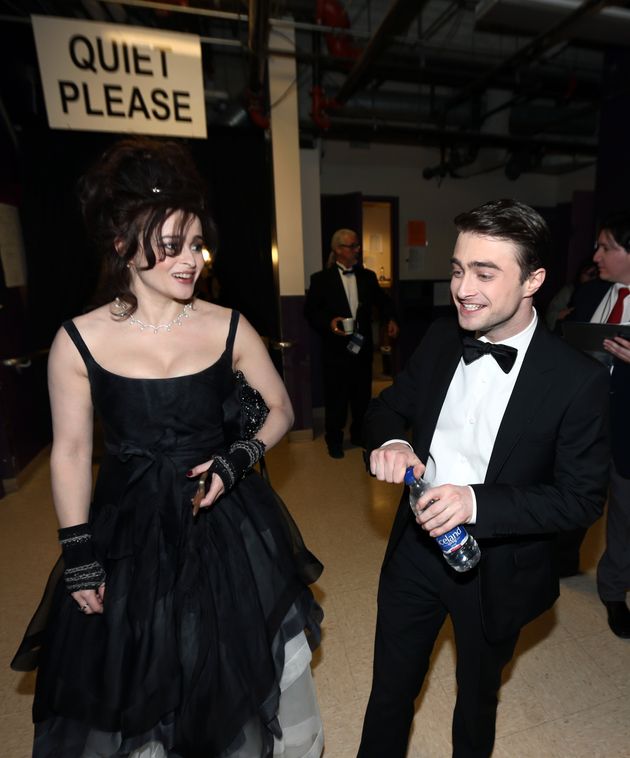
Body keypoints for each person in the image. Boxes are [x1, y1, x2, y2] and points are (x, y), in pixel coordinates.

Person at [12, 137, 324, 758]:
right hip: (130, 526)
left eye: (196, 243)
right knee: (143, 666)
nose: (192, 261)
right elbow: (72, 453)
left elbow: (282, 407)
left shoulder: (228, 324)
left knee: (232, 655)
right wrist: (78, 551)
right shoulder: (79, 340)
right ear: (124, 247)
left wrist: (237, 461)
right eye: (173, 245)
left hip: (225, 519)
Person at [357, 199, 610, 758]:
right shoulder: (442, 338)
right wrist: (393, 440)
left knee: (476, 704)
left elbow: (580, 500)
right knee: (389, 694)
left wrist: (477, 503)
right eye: (456, 269)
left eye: (485, 272)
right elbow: (386, 410)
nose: (462, 288)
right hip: (414, 552)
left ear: (533, 280)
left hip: (499, 569)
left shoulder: (577, 381)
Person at [567, 211, 630, 638]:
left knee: (624, 515)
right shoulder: (591, 294)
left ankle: (612, 591)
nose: (597, 254)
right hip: (586, 423)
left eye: (606, 247)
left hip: (627, 430)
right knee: (570, 497)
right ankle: (559, 562)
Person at [304, 228, 398, 459]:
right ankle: (334, 440)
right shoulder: (320, 279)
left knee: (361, 396)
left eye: (357, 246)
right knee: (336, 397)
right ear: (337, 249)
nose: (357, 250)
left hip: (362, 348)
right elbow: (310, 312)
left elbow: (382, 302)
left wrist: (391, 319)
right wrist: (329, 322)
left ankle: (359, 434)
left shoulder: (368, 276)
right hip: (335, 350)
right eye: (352, 246)